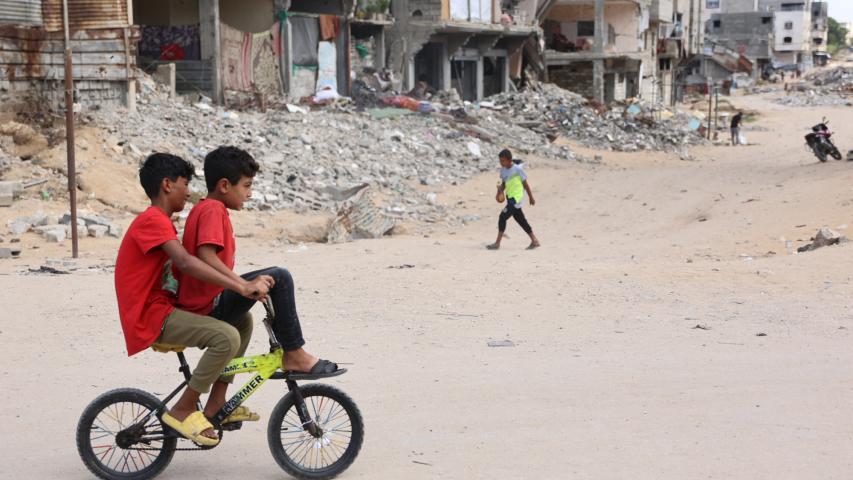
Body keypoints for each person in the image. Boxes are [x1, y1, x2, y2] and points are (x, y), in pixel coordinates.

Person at [114, 153, 272, 446]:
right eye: (185, 184)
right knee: (225, 337)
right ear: (167, 184)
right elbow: (187, 263)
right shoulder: (152, 220)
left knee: (242, 322)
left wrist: (238, 288)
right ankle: (183, 408)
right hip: (151, 317)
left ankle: (217, 403)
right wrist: (240, 286)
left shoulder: (162, 222)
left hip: (164, 309)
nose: (189, 192)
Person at [177, 146, 338, 383]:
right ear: (224, 186)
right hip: (207, 306)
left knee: (268, 281)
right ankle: (294, 353)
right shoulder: (212, 209)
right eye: (247, 185)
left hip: (206, 300)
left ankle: (217, 406)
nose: (250, 194)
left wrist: (244, 284)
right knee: (280, 277)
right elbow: (205, 256)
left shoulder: (206, 207)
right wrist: (242, 285)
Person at [486, 149, 541, 250]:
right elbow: (504, 183)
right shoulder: (502, 170)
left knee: (502, 216)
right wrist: (499, 191)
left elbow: (526, 184)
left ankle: (497, 243)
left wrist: (531, 197)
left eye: (503, 161)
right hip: (510, 197)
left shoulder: (517, 169)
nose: (501, 163)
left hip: (516, 198)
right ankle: (534, 240)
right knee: (520, 219)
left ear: (509, 160)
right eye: (500, 161)